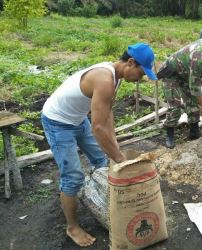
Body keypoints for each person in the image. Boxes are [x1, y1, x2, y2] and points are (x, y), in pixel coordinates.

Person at [41, 43, 157, 247]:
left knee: (102, 160)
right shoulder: (104, 79)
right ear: (130, 62)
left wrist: (115, 146)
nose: (142, 78)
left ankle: (101, 200)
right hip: (57, 122)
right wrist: (120, 160)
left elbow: (107, 115)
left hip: (77, 119)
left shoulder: (116, 77)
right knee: (73, 177)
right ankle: (72, 227)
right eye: (141, 72)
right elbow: (98, 128)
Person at [157, 39, 202, 149]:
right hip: (171, 74)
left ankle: (194, 131)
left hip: (185, 73)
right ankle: (169, 133)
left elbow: (194, 84)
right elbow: (195, 88)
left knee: (193, 102)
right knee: (175, 106)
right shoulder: (199, 58)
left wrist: (200, 103)